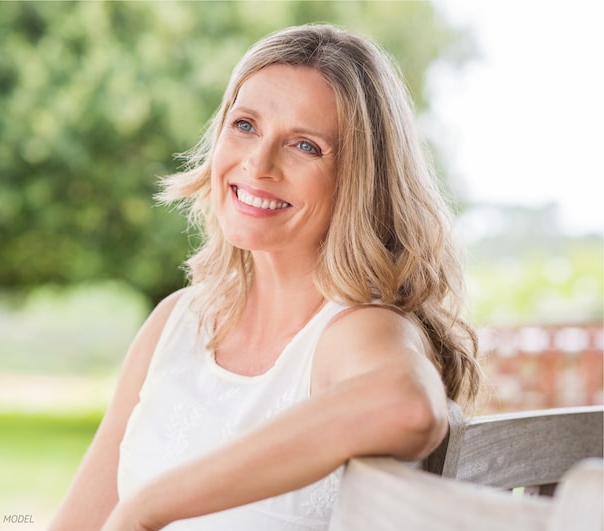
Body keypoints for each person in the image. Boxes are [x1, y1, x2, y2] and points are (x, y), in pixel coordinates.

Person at [48, 23, 481, 531]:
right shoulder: (177, 321)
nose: (258, 164)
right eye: (246, 125)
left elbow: (408, 408)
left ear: (359, 180)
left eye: (305, 145)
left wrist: (150, 506)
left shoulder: (358, 329)